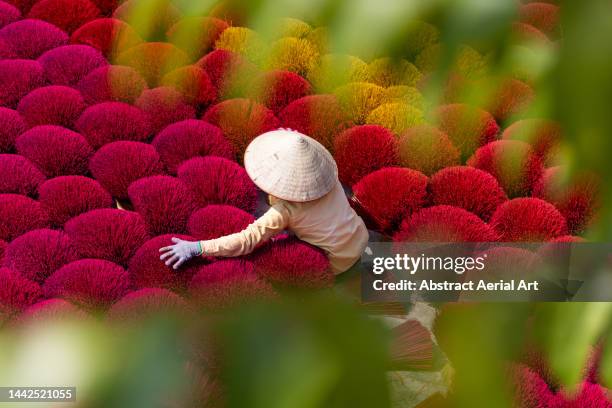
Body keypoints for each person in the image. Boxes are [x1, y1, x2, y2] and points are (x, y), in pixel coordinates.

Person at [159, 128, 369, 276]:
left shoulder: (284, 211)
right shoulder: (326, 176)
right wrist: (289, 140)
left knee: (273, 253)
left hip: (335, 263)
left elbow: (246, 241)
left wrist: (196, 247)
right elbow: (301, 149)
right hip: (361, 238)